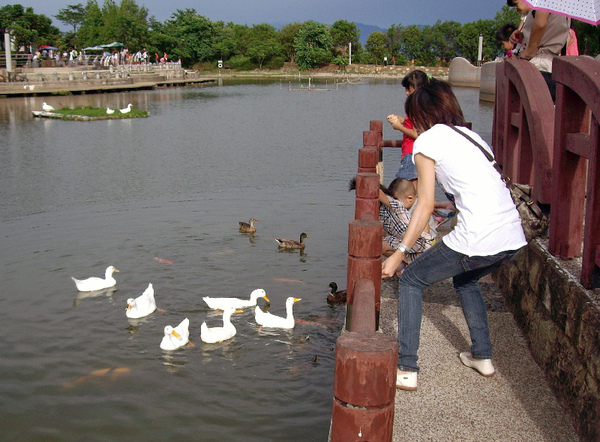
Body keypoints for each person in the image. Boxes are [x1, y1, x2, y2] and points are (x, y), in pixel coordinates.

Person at [382, 80, 527, 391]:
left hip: (478, 237)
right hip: (512, 236)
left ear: (419, 114)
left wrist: (399, 252)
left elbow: (422, 206)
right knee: (467, 278)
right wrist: (452, 204)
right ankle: (482, 356)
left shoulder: (425, 142)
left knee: (411, 280)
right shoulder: (473, 137)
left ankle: (406, 368)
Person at [379, 177, 435, 270]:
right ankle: (406, 263)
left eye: (397, 199)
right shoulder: (404, 208)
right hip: (412, 240)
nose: (395, 203)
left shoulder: (417, 207)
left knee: (383, 245)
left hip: (424, 243)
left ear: (410, 198)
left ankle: (411, 265)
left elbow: (425, 231)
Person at [387, 70, 430, 187]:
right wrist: (402, 120)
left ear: (416, 88)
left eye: (409, 89)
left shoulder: (417, 106)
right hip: (417, 152)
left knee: (408, 187)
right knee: (416, 187)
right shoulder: (425, 105)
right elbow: (414, 124)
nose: (406, 93)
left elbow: (417, 133)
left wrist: (399, 127)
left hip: (411, 152)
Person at [507, 0, 569, 73]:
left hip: (540, 61)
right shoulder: (564, 4)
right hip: (550, 61)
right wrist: (525, 35)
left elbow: (540, 24)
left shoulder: (544, 2)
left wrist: (529, 52)